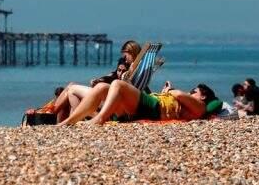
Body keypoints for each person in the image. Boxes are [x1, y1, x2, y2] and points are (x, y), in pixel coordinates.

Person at [55, 40, 141, 124]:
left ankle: (52, 112)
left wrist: (125, 79)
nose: (124, 58)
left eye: (125, 54)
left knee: (71, 89)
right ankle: (59, 114)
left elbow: (132, 90)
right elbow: (112, 75)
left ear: (131, 52)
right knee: (71, 87)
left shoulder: (135, 69)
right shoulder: (132, 66)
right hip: (110, 97)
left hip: (115, 103)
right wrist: (99, 80)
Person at [88, 80, 218, 125]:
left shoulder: (200, 106)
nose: (190, 93)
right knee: (102, 87)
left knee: (117, 85)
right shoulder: (190, 105)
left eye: (194, 91)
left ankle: (99, 118)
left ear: (203, 97)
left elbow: (177, 94)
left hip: (155, 108)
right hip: (153, 104)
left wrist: (170, 90)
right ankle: (69, 121)